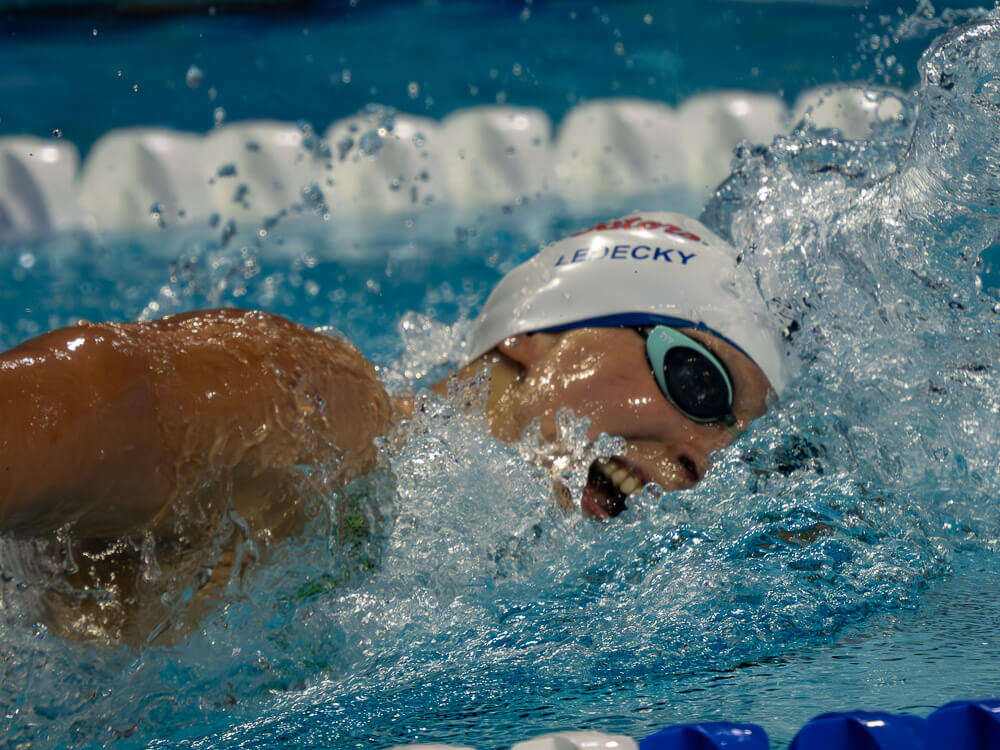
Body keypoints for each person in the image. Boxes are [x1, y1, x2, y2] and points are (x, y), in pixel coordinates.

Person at [0, 211, 790, 644]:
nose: (702, 463)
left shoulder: (489, 612)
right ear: (535, 332)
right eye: (697, 382)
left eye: (736, 450)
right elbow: (105, 391)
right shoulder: (334, 422)